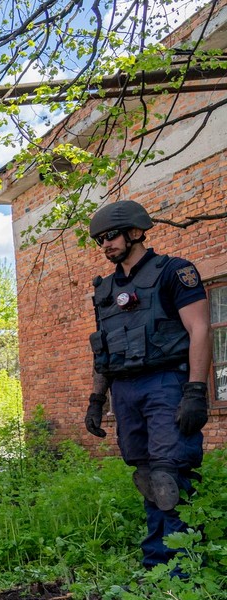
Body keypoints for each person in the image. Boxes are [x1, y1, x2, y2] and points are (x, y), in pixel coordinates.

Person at [83, 199, 211, 569]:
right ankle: (157, 560)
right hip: (125, 388)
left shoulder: (174, 271)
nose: (104, 245)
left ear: (136, 232)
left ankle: (182, 568)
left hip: (166, 381)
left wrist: (195, 390)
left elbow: (199, 329)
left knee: (170, 471)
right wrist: (96, 398)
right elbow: (103, 349)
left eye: (110, 236)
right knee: (145, 473)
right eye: (99, 240)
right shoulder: (106, 290)